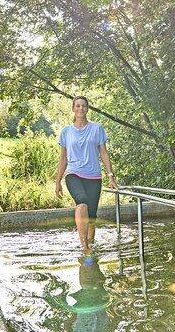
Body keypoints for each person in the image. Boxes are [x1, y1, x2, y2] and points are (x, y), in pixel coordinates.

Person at [55, 96, 118, 254]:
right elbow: (63, 158)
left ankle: (91, 247)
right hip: (73, 174)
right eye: (77, 106)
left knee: (91, 217)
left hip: (94, 177)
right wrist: (58, 182)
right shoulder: (66, 132)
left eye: (83, 106)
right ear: (73, 109)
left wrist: (110, 176)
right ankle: (84, 246)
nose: (80, 108)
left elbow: (104, 153)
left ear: (87, 108)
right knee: (81, 202)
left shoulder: (97, 129)